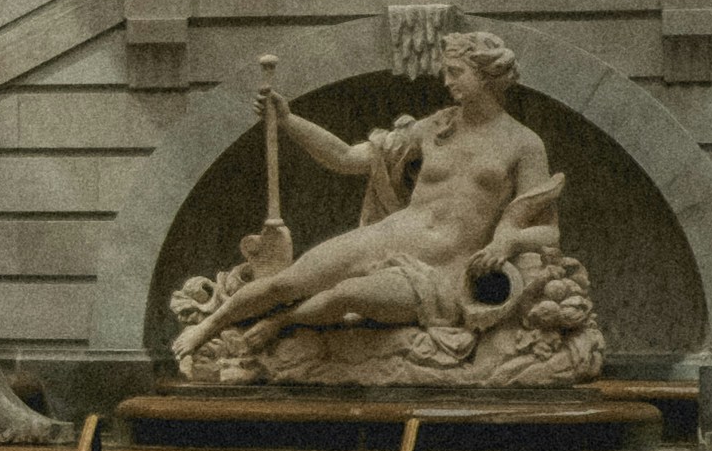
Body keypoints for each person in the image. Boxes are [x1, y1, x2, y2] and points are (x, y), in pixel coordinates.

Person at [220, 29, 560, 355]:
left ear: (487, 74)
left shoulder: (524, 144)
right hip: (388, 235)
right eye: (446, 72)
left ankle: (282, 322)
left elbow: (548, 232)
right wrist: (289, 121)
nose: (446, 81)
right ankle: (208, 327)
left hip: (438, 270)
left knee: (346, 295)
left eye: (455, 72)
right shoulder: (434, 127)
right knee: (285, 284)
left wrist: (508, 242)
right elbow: (346, 158)